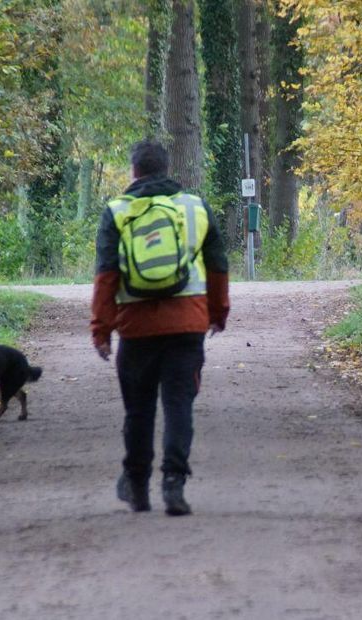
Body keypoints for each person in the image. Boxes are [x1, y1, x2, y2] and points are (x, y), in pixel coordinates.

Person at [90, 140, 230, 516]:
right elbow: (218, 265)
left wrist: (101, 330)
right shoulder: (194, 207)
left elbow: (105, 276)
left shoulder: (117, 211)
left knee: (138, 410)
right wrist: (217, 312)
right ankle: (174, 483)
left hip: (135, 328)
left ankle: (137, 485)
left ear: (133, 171)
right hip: (187, 325)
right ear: (168, 169)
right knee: (179, 405)